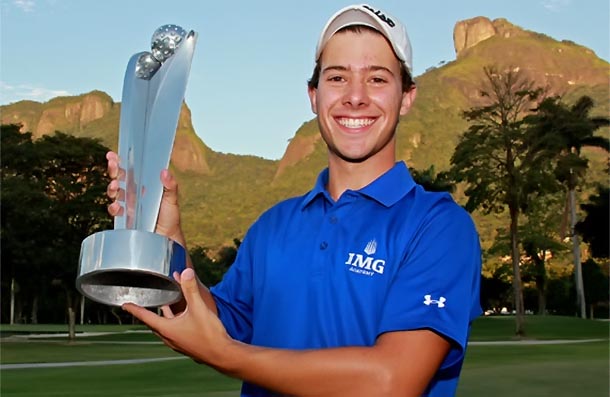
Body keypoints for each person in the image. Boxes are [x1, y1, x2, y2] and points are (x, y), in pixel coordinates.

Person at [107, 4, 482, 396]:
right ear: (313, 95)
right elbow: (213, 323)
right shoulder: (273, 226)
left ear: (406, 97)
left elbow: (391, 381)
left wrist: (228, 356)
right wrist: (168, 239)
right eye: (337, 77)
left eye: (377, 79)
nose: (355, 97)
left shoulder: (440, 226)